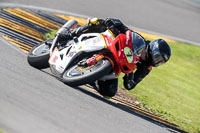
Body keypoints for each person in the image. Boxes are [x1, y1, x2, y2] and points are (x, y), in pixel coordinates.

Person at [58, 18, 171, 98]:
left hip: (117, 63)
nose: (157, 61)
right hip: (112, 43)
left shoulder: (146, 68)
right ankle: (71, 34)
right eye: (158, 57)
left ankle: (91, 77)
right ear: (152, 49)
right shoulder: (141, 41)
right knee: (98, 22)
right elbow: (127, 32)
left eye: (160, 61)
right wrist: (118, 24)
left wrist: (129, 73)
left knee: (110, 91)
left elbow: (130, 85)